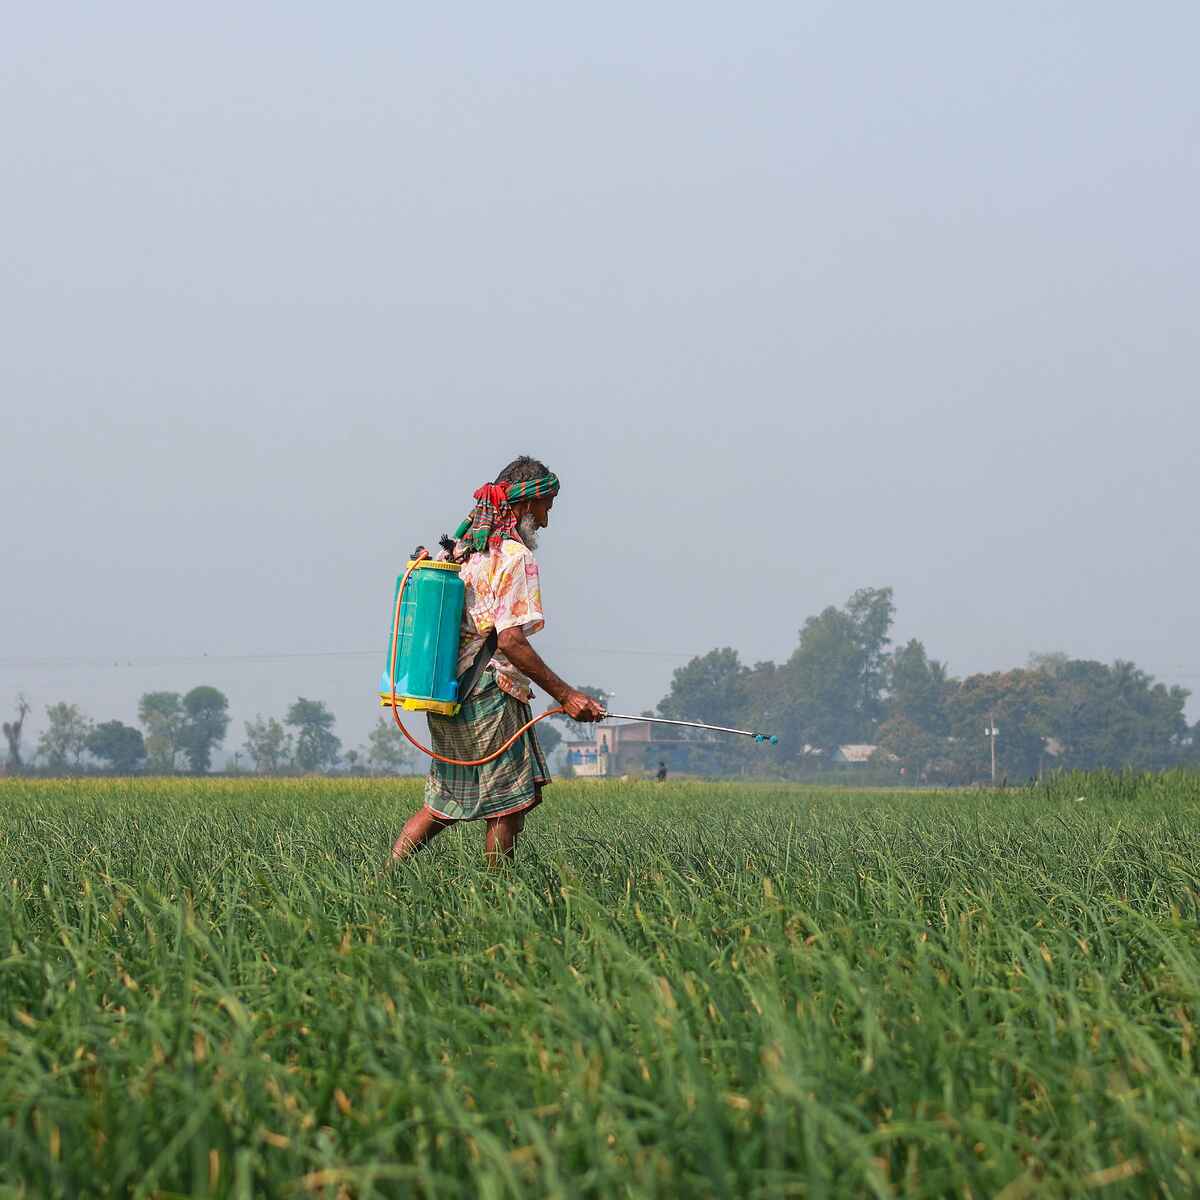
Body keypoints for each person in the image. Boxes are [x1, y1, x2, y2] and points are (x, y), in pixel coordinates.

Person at [390, 456, 605, 865]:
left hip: (449, 692)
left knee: (442, 805)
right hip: (491, 692)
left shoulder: (464, 553)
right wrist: (567, 693)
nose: (546, 518)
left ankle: (382, 881)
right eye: (545, 505)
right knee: (506, 806)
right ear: (524, 506)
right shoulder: (514, 557)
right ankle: (499, 901)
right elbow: (510, 641)